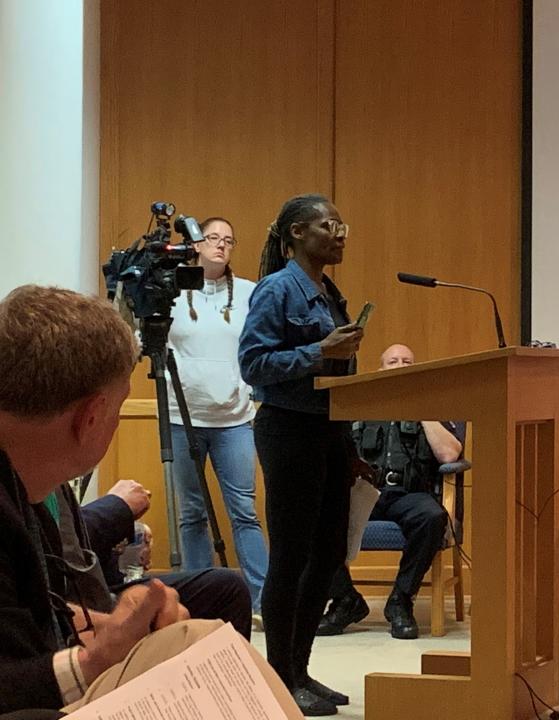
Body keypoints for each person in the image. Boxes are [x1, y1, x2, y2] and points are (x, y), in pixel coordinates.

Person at [0, 286, 301, 719]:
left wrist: (99, 628)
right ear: (91, 418)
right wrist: (92, 662)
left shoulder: (25, 476)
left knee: (197, 635)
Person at [239, 193, 371, 716]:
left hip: (329, 432)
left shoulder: (327, 290)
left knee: (329, 555)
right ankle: (278, 676)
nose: (339, 234)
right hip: (289, 430)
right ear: (295, 233)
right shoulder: (277, 288)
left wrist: (351, 446)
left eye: (342, 225)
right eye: (327, 225)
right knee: (291, 559)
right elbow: (254, 364)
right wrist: (321, 350)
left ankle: (300, 670)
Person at [316, 344, 465, 640]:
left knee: (433, 518)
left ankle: (400, 601)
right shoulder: (359, 406)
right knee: (316, 515)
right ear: (380, 370)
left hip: (410, 495)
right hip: (365, 493)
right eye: (392, 361)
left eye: (406, 362)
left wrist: (418, 407)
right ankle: (346, 600)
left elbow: (449, 454)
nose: (399, 366)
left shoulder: (431, 405)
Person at [167, 216, 268, 627]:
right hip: (181, 417)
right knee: (192, 513)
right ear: (195, 244)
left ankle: (264, 600)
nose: (221, 246)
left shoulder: (247, 292)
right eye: (213, 238)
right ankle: (199, 601)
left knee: (244, 510)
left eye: (228, 240)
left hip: (234, 419)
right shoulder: (170, 290)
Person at [53, 478, 253, 639]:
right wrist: (116, 507)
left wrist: (122, 544)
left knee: (227, 588)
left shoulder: (53, 477)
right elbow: (49, 557)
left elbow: (71, 548)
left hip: (90, 590)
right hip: (60, 608)